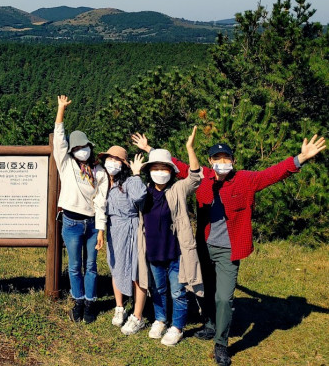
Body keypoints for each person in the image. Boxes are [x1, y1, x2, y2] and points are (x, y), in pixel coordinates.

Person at [132, 131, 325, 365]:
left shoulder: (245, 179)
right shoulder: (203, 177)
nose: (222, 163)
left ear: (233, 161)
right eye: (217, 159)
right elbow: (176, 167)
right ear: (210, 162)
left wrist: (300, 159)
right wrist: (149, 149)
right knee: (205, 289)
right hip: (203, 246)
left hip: (230, 249)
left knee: (224, 298)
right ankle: (212, 324)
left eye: (226, 159)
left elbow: (271, 174)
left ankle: (221, 344)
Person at [137, 126, 203, 347]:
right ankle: (160, 319)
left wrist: (189, 148)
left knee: (177, 291)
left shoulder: (177, 190)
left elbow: (195, 178)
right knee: (158, 289)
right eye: (154, 167)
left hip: (176, 253)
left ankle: (177, 327)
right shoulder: (144, 191)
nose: (159, 171)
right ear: (149, 171)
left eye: (164, 167)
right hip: (153, 253)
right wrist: (136, 172)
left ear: (171, 171)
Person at [53, 95, 108, 324]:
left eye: (84, 146)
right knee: (75, 266)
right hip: (72, 223)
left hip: (92, 225)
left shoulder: (99, 171)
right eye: (76, 147)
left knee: (92, 266)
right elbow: (59, 140)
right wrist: (61, 110)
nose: (81, 150)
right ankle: (78, 301)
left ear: (89, 147)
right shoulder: (66, 165)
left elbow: (101, 201)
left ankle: (90, 303)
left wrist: (101, 229)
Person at [101, 146, 147, 334]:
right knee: (116, 267)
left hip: (132, 228)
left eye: (117, 159)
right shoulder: (103, 181)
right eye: (109, 158)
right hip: (114, 230)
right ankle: (119, 307)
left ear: (124, 164)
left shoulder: (128, 182)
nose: (112, 162)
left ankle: (138, 315)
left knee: (137, 271)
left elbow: (139, 196)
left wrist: (136, 174)